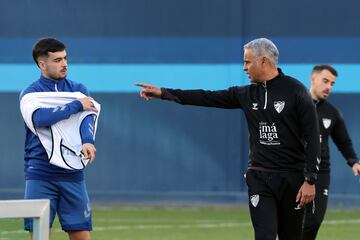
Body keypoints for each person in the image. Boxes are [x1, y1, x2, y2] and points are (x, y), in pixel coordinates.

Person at [136, 38, 320, 240]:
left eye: (248, 62)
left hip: (292, 180)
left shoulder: (296, 91)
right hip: (260, 178)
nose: (244, 68)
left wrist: (310, 180)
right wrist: (164, 93)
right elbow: (207, 97)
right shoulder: (246, 94)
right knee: (264, 235)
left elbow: (313, 137)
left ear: (264, 61)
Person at [19, 38, 100, 240]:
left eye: (65, 58)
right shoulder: (31, 94)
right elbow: (40, 118)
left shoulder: (79, 90)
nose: (64, 64)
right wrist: (76, 106)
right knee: (39, 234)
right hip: (40, 172)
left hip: (72, 171)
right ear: (42, 64)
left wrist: (88, 141)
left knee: (80, 233)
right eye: (57, 60)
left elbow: (87, 117)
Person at [302, 64, 360, 239]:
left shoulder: (332, 113)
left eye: (332, 83)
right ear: (313, 79)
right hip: (295, 169)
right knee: (291, 221)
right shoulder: (296, 105)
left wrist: (354, 161)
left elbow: (343, 141)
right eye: (325, 81)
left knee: (314, 220)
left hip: (321, 173)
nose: (328, 87)